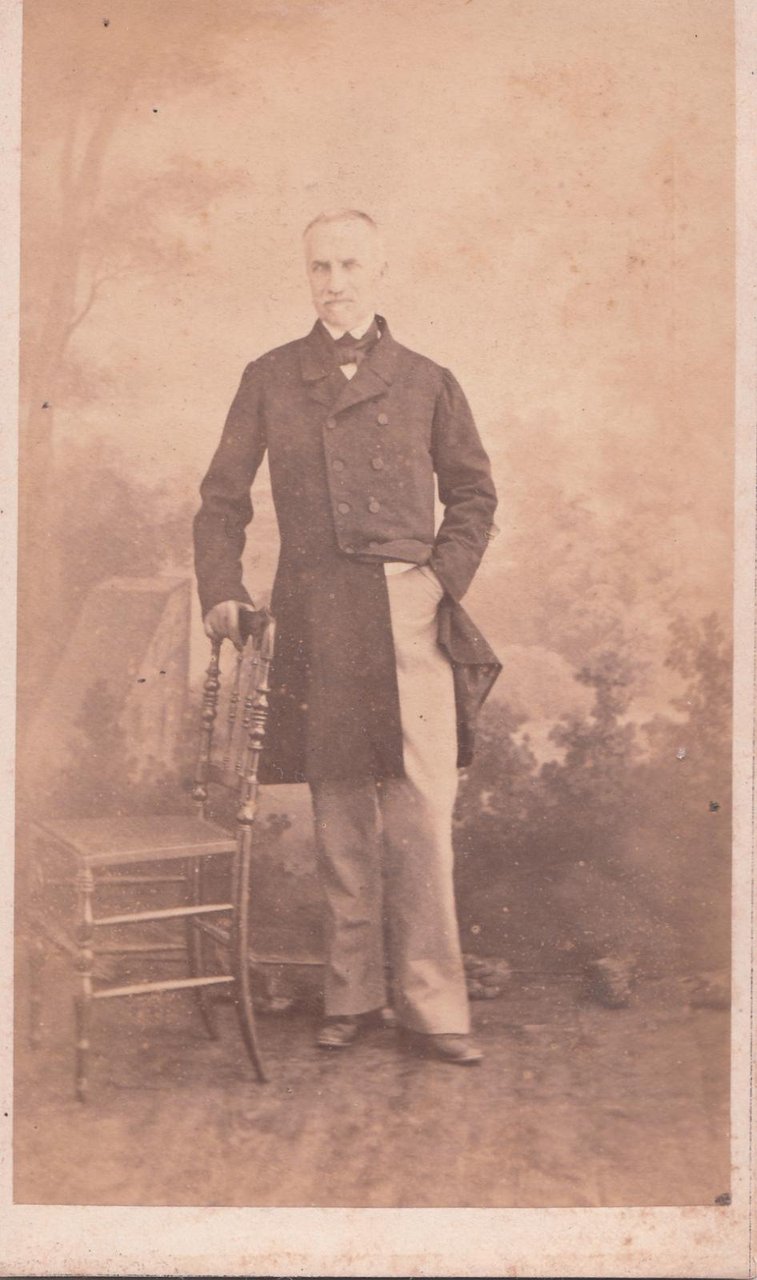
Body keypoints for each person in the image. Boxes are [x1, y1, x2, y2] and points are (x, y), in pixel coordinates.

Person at [193, 209, 500, 1065]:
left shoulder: (428, 380)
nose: (334, 282)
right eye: (319, 267)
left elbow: (474, 495)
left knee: (421, 816)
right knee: (340, 819)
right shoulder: (269, 377)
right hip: (318, 611)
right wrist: (222, 589)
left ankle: (433, 1008)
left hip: (408, 611)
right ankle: (351, 994)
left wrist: (435, 580)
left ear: (379, 270)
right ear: (307, 276)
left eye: (350, 265)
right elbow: (220, 501)